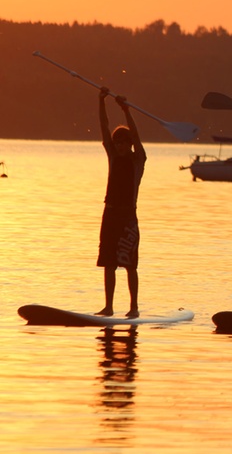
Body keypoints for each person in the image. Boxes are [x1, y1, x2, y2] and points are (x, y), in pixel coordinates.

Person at [96, 87, 146, 318]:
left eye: (123, 143)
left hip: (128, 217)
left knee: (129, 264)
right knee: (108, 263)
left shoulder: (138, 160)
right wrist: (101, 102)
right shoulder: (113, 157)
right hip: (110, 215)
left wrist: (126, 110)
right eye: (117, 143)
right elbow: (104, 130)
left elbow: (136, 135)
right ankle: (108, 307)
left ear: (130, 144)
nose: (119, 146)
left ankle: (134, 307)